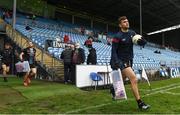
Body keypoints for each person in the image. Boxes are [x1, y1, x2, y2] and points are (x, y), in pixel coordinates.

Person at [110, 16, 149, 110]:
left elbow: (139, 41)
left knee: (122, 80)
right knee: (134, 79)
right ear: (120, 25)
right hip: (121, 61)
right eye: (124, 22)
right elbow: (113, 51)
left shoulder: (132, 33)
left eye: (127, 21)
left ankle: (113, 89)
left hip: (129, 60)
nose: (126, 23)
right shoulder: (117, 36)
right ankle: (140, 103)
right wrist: (116, 62)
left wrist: (143, 42)